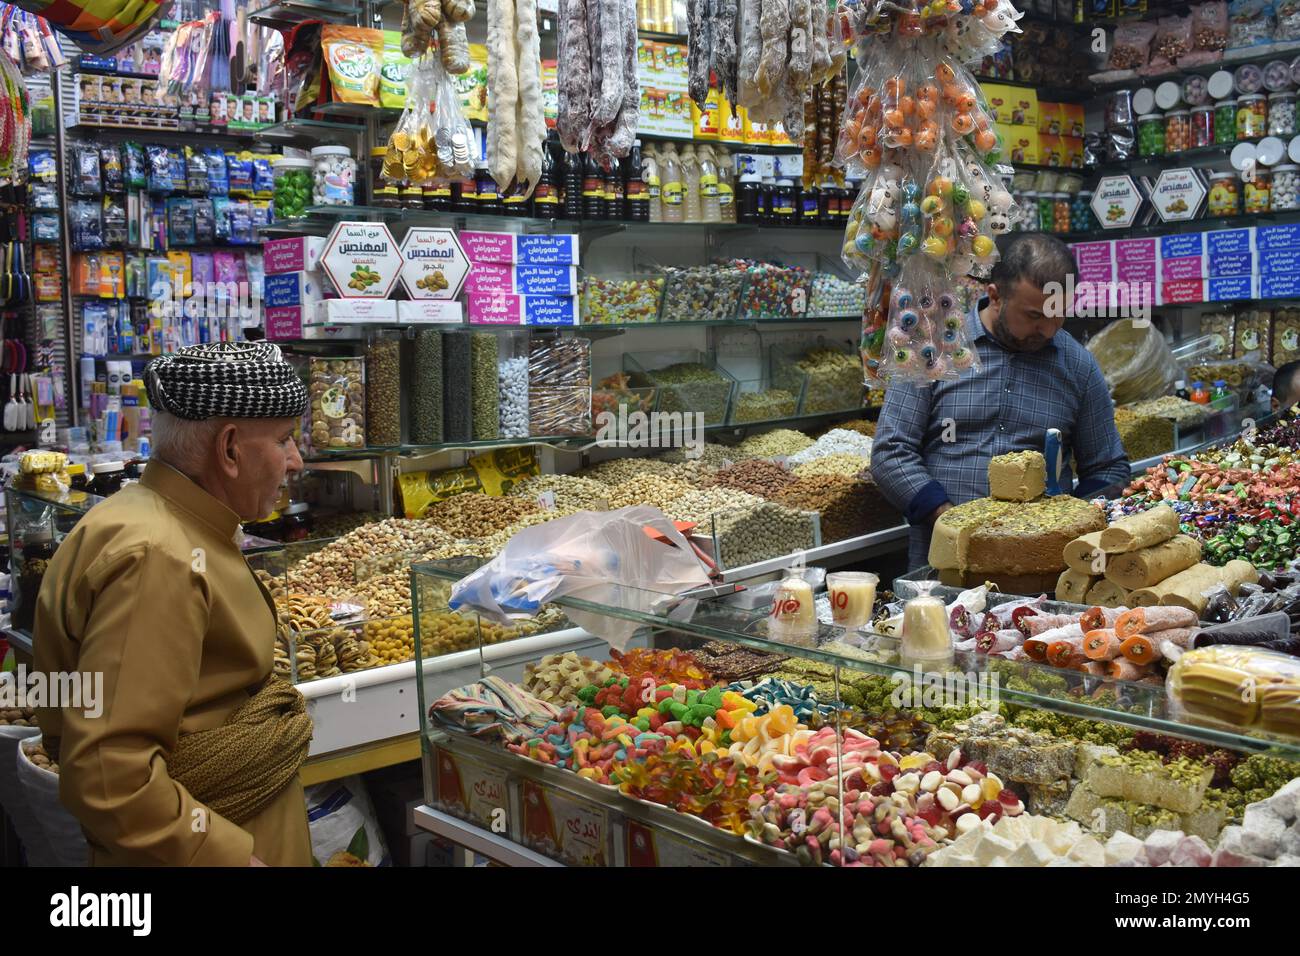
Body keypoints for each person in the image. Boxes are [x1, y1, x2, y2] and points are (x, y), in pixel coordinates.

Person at [35, 341, 314, 866]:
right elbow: (110, 774)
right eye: (283, 440)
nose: (295, 460)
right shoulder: (158, 557)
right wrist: (220, 855)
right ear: (229, 449)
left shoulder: (158, 520)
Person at [871, 233, 1130, 570]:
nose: (1049, 330)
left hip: (1041, 575)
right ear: (995, 296)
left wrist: (1072, 524)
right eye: (1035, 316)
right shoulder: (935, 346)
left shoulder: (1077, 365)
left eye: (1059, 315)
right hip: (942, 569)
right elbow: (891, 452)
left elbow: (1108, 467)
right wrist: (950, 521)